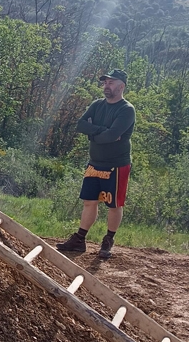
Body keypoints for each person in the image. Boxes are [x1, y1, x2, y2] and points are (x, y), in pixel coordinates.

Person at [57, 69, 136, 260]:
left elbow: (111, 135)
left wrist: (95, 134)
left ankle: (108, 240)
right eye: (105, 82)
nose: (106, 86)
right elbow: (80, 125)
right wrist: (100, 132)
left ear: (121, 86)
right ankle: (79, 239)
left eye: (110, 82)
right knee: (89, 201)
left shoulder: (126, 110)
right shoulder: (96, 105)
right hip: (94, 163)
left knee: (114, 204)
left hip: (116, 165)